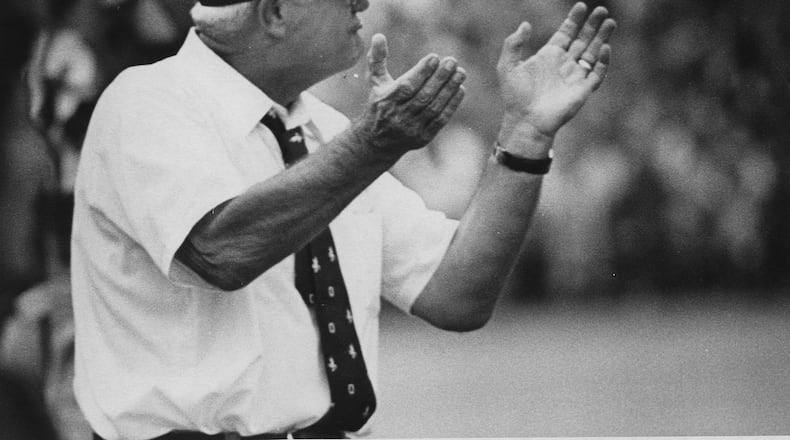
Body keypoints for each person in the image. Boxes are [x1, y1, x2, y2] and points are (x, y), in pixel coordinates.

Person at [70, 0, 616, 438]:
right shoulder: (146, 102)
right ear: (276, 13)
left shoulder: (328, 134)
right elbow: (220, 251)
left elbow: (458, 293)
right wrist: (372, 145)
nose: (363, 3)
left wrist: (526, 135)